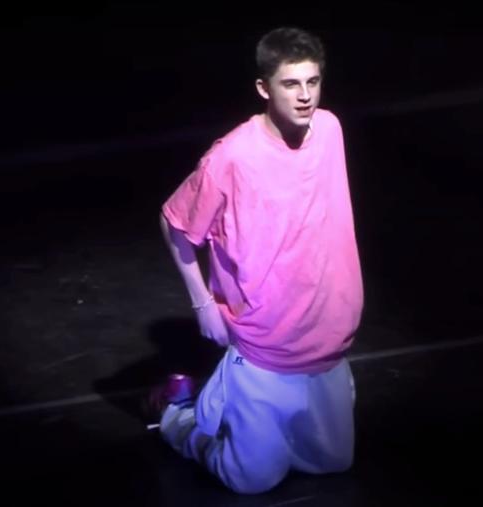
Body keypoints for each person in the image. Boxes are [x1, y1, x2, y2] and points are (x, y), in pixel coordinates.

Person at [148, 26, 364, 494]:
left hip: (326, 341)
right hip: (265, 344)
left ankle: (246, 420)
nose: (305, 96)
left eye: (313, 82)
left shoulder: (329, 129)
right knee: (251, 480)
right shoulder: (233, 156)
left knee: (333, 464)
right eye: (291, 84)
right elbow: (175, 223)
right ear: (264, 88)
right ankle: (178, 415)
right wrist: (203, 303)